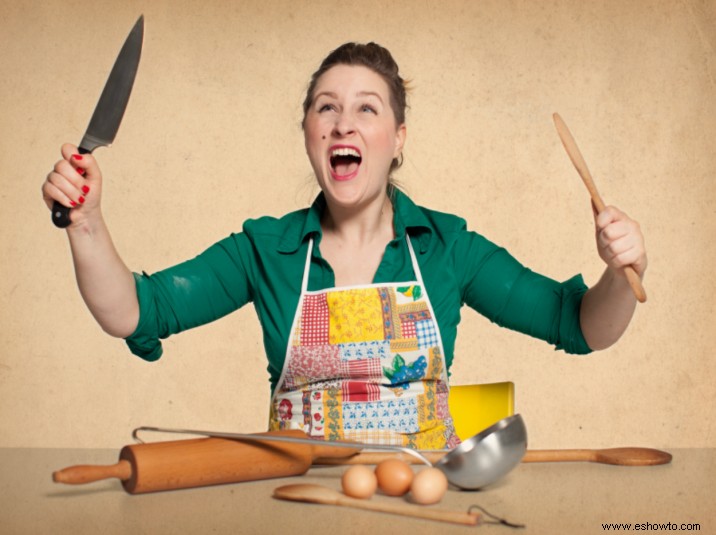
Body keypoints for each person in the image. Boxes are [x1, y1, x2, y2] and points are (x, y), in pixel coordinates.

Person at [42, 43, 646, 450]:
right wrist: (86, 222)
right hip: (298, 502)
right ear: (309, 133)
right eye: (325, 108)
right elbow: (133, 312)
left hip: (421, 500)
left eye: (366, 109)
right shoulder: (266, 250)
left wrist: (621, 275)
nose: (343, 124)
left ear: (397, 138)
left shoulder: (448, 248)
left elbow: (582, 326)